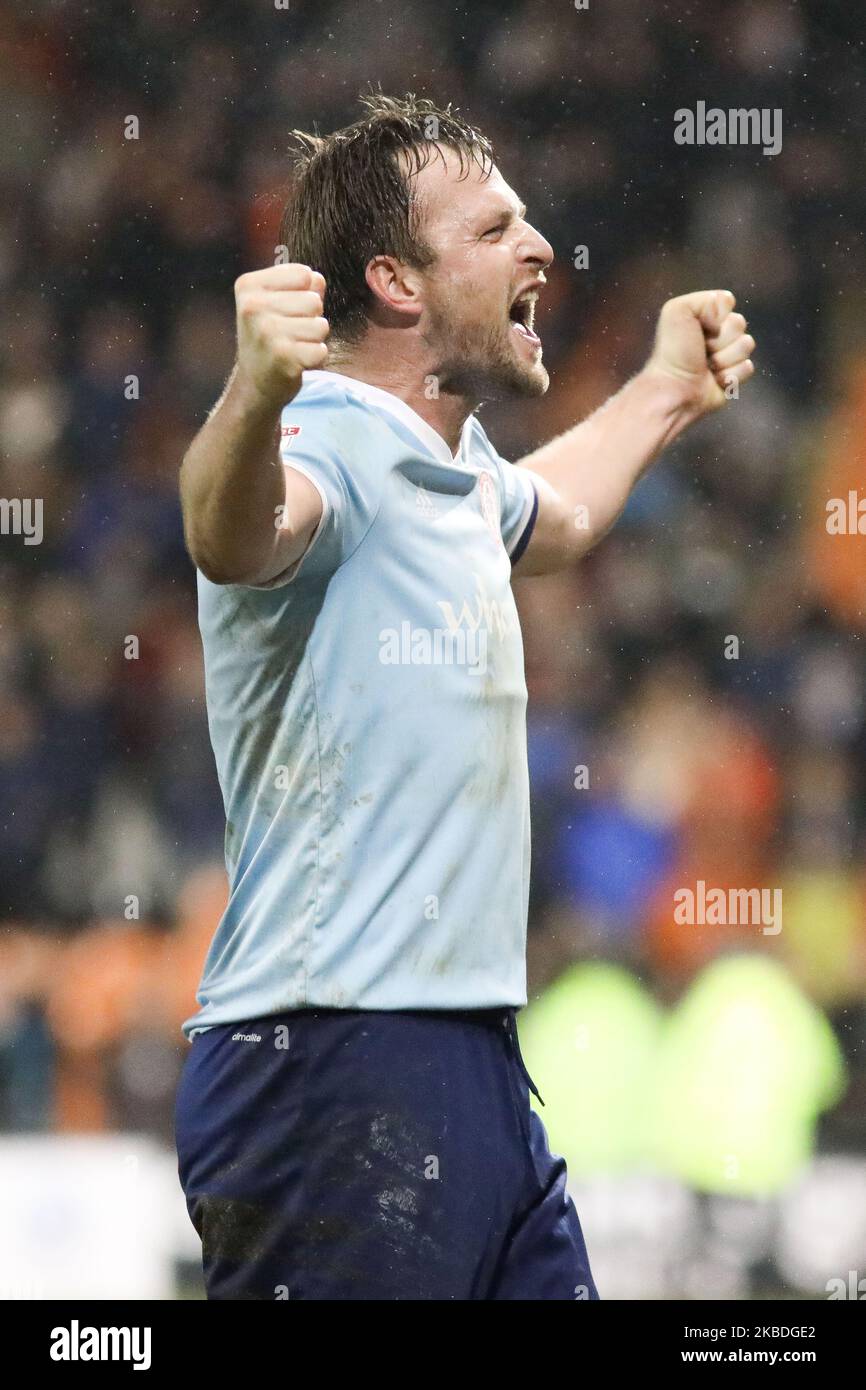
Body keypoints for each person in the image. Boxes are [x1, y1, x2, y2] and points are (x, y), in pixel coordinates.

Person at [175, 92, 756, 1300]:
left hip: (472, 1058)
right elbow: (231, 532)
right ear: (393, 281)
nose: (539, 246)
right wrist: (251, 393)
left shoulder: (450, 469)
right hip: (330, 1056)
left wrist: (661, 390)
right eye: (495, 230)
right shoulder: (325, 439)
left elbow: (557, 519)